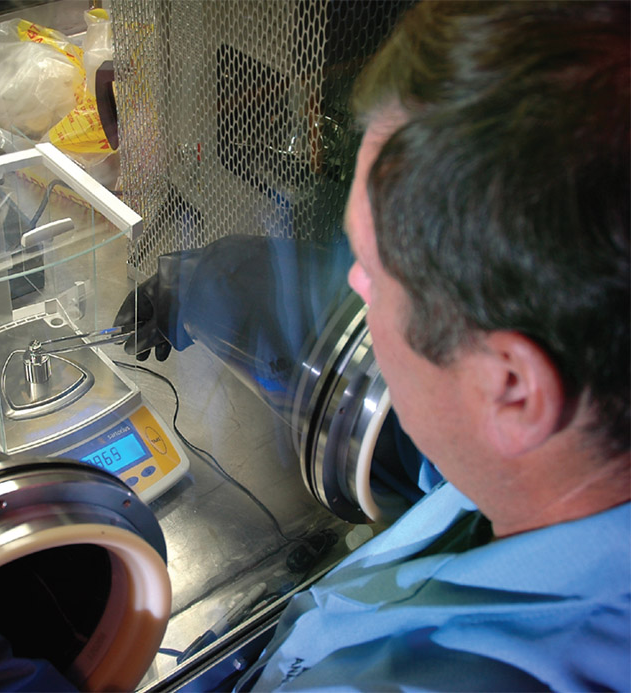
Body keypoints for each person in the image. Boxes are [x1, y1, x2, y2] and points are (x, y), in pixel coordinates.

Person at [118, 1, 630, 689]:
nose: (351, 285)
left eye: (373, 273)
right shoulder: (567, 449)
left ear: (510, 387)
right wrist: (213, 278)